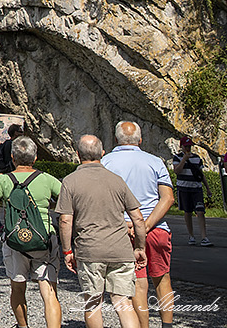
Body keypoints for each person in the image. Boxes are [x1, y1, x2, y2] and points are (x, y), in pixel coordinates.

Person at [56, 134, 148, 328]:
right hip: (121, 250)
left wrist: (67, 251)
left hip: (90, 250)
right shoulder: (117, 181)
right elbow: (138, 219)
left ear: (77, 154)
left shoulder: (70, 181)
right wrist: (140, 247)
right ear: (103, 153)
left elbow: (65, 220)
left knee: (93, 302)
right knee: (123, 302)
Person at [0, 136, 63, 328]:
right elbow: (68, 200)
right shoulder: (46, 179)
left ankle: (23, 326)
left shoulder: (5, 180)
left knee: (17, 287)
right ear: (35, 158)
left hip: (15, 241)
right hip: (44, 239)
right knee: (49, 293)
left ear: (13, 157)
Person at [102, 121, 175, 328]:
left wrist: (127, 224)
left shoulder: (106, 162)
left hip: (123, 230)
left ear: (116, 140)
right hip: (156, 228)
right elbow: (167, 198)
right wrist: (147, 224)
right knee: (162, 279)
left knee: (138, 284)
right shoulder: (155, 161)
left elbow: (104, 199)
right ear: (140, 140)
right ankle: (167, 325)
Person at [170, 137, 211, 247]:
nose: (188, 148)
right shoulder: (177, 158)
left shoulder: (197, 158)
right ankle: (191, 235)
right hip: (184, 188)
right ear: (181, 147)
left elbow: (201, 174)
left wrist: (207, 188)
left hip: (196, 188)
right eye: (186, 146)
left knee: (200, 211)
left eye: (189, 146)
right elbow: (177, 171)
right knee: (187, 212)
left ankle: (204, 237)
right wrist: (184, 159)